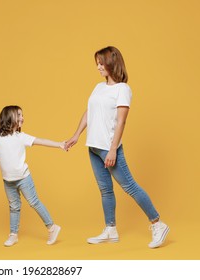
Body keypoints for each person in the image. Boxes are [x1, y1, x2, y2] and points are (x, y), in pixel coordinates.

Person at [65, 46, 169, 249]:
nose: (98, 67)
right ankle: (110, 229)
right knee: (105, 190)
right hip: (93, 147)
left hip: (108, 147)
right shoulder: (98, 87)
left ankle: (158, 224)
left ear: (112, 63)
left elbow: (121, 122)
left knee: (130, 186)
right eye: (97, 63)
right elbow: (89, 112)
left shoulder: (123, 89)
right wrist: (76, 135)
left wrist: (113, 149)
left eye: (101, 63)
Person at [0, 105, 65, 247]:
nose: (22, 118)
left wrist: (59, 144)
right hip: (8, 181)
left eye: (22, 115)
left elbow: (41, 141)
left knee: (34, 202)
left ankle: (52, 227)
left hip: (23, 177)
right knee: (14, 207)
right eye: (19, 115)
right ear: (8, 117)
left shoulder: (21, 137)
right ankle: (13, 235)